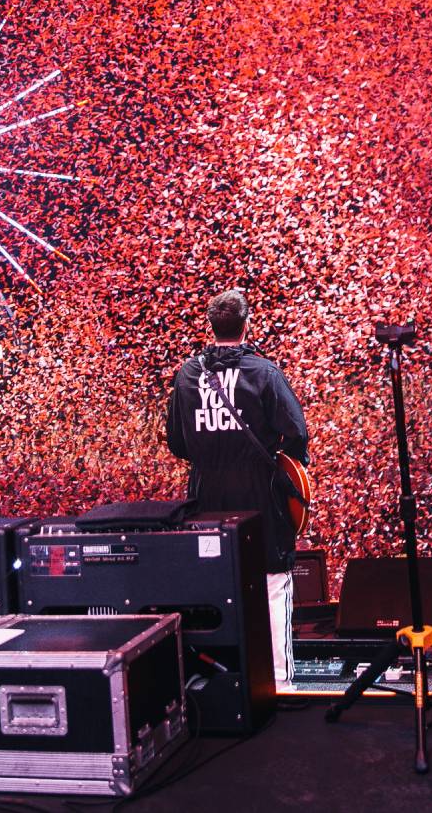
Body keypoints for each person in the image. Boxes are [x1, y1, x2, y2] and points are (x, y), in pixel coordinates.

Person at [165, 289, 309, 691]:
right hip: (259, 496)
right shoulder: (264, 372)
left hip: (206, 498)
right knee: (273, 585)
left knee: (216, 587)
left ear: (210, 327)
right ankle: (278, 684)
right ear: (248, 325)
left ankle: (222, 685)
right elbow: (296, 432)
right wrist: (288, 465)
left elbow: (177, 442)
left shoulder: (187, 374)